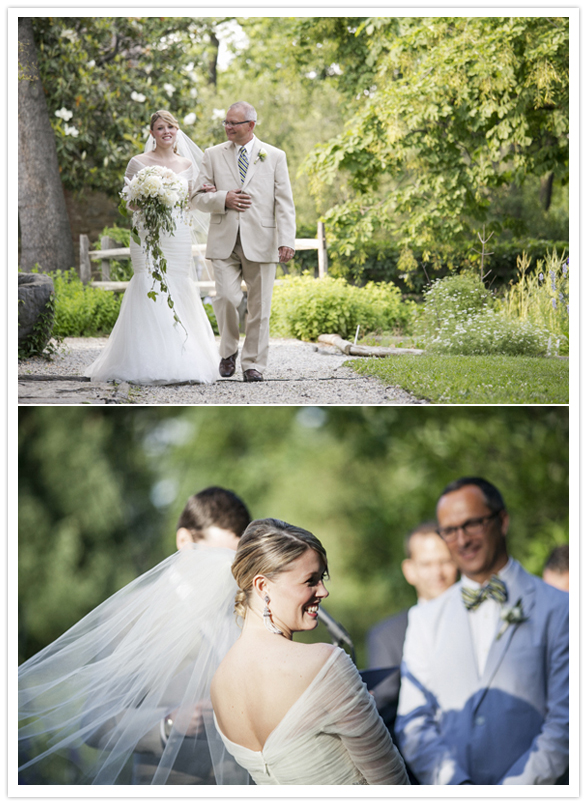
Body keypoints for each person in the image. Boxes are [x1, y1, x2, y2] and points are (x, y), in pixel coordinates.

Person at [18, 486, 252, 786]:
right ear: (185, 541)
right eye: (219, 556)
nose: (228, 570)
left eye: (234, 560)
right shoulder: (129, 616)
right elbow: (96, 722)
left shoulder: (248, 608)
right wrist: (168, 723)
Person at [395, 477, 569, 785]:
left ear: (502, 521)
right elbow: (413, 722)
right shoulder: (424, 618)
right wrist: (457, 788)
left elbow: (568, 719)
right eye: (449, 530)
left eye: (472, 524)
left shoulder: (561, 608)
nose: (462, 540)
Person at [211, 518, 409, 785]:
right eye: (310, 581)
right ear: (262, 586)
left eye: (322, 578)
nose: (323, 591)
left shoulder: (219, 684)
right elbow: (390, 782)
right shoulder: (324, 664)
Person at [86, 110, 220, 385]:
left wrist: (204, 192)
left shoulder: (187, 164)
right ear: (152, 133)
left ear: (176, 131)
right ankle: (144, 358)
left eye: (170, 127)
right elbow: (128, 203)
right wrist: (149, 197)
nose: (166, 132)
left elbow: (190, 203)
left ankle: (183, 357)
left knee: (177, 283)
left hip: (177, 234)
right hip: (146, 234)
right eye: (160, 128)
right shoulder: (138, 163)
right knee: (147, 282)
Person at [192, 102, 296, 382]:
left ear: (250, 125)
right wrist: (222, 198)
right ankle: (228, 352)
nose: (227, 127)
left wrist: (287, 240)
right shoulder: (212, 155)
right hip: (223, 240)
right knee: (226, 297)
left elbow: (284, 202)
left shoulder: (274, 156)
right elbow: (196, 198)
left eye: (233, 123)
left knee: (260, 307)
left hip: (263, 241)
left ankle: (253, 364)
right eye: (225, 122)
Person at [367, 522, 458, 738]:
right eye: (426, 564)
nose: (438, 572)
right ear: (409, 570)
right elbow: (386, 713)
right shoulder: (386, 636)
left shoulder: (482, 621)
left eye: (445, 561)